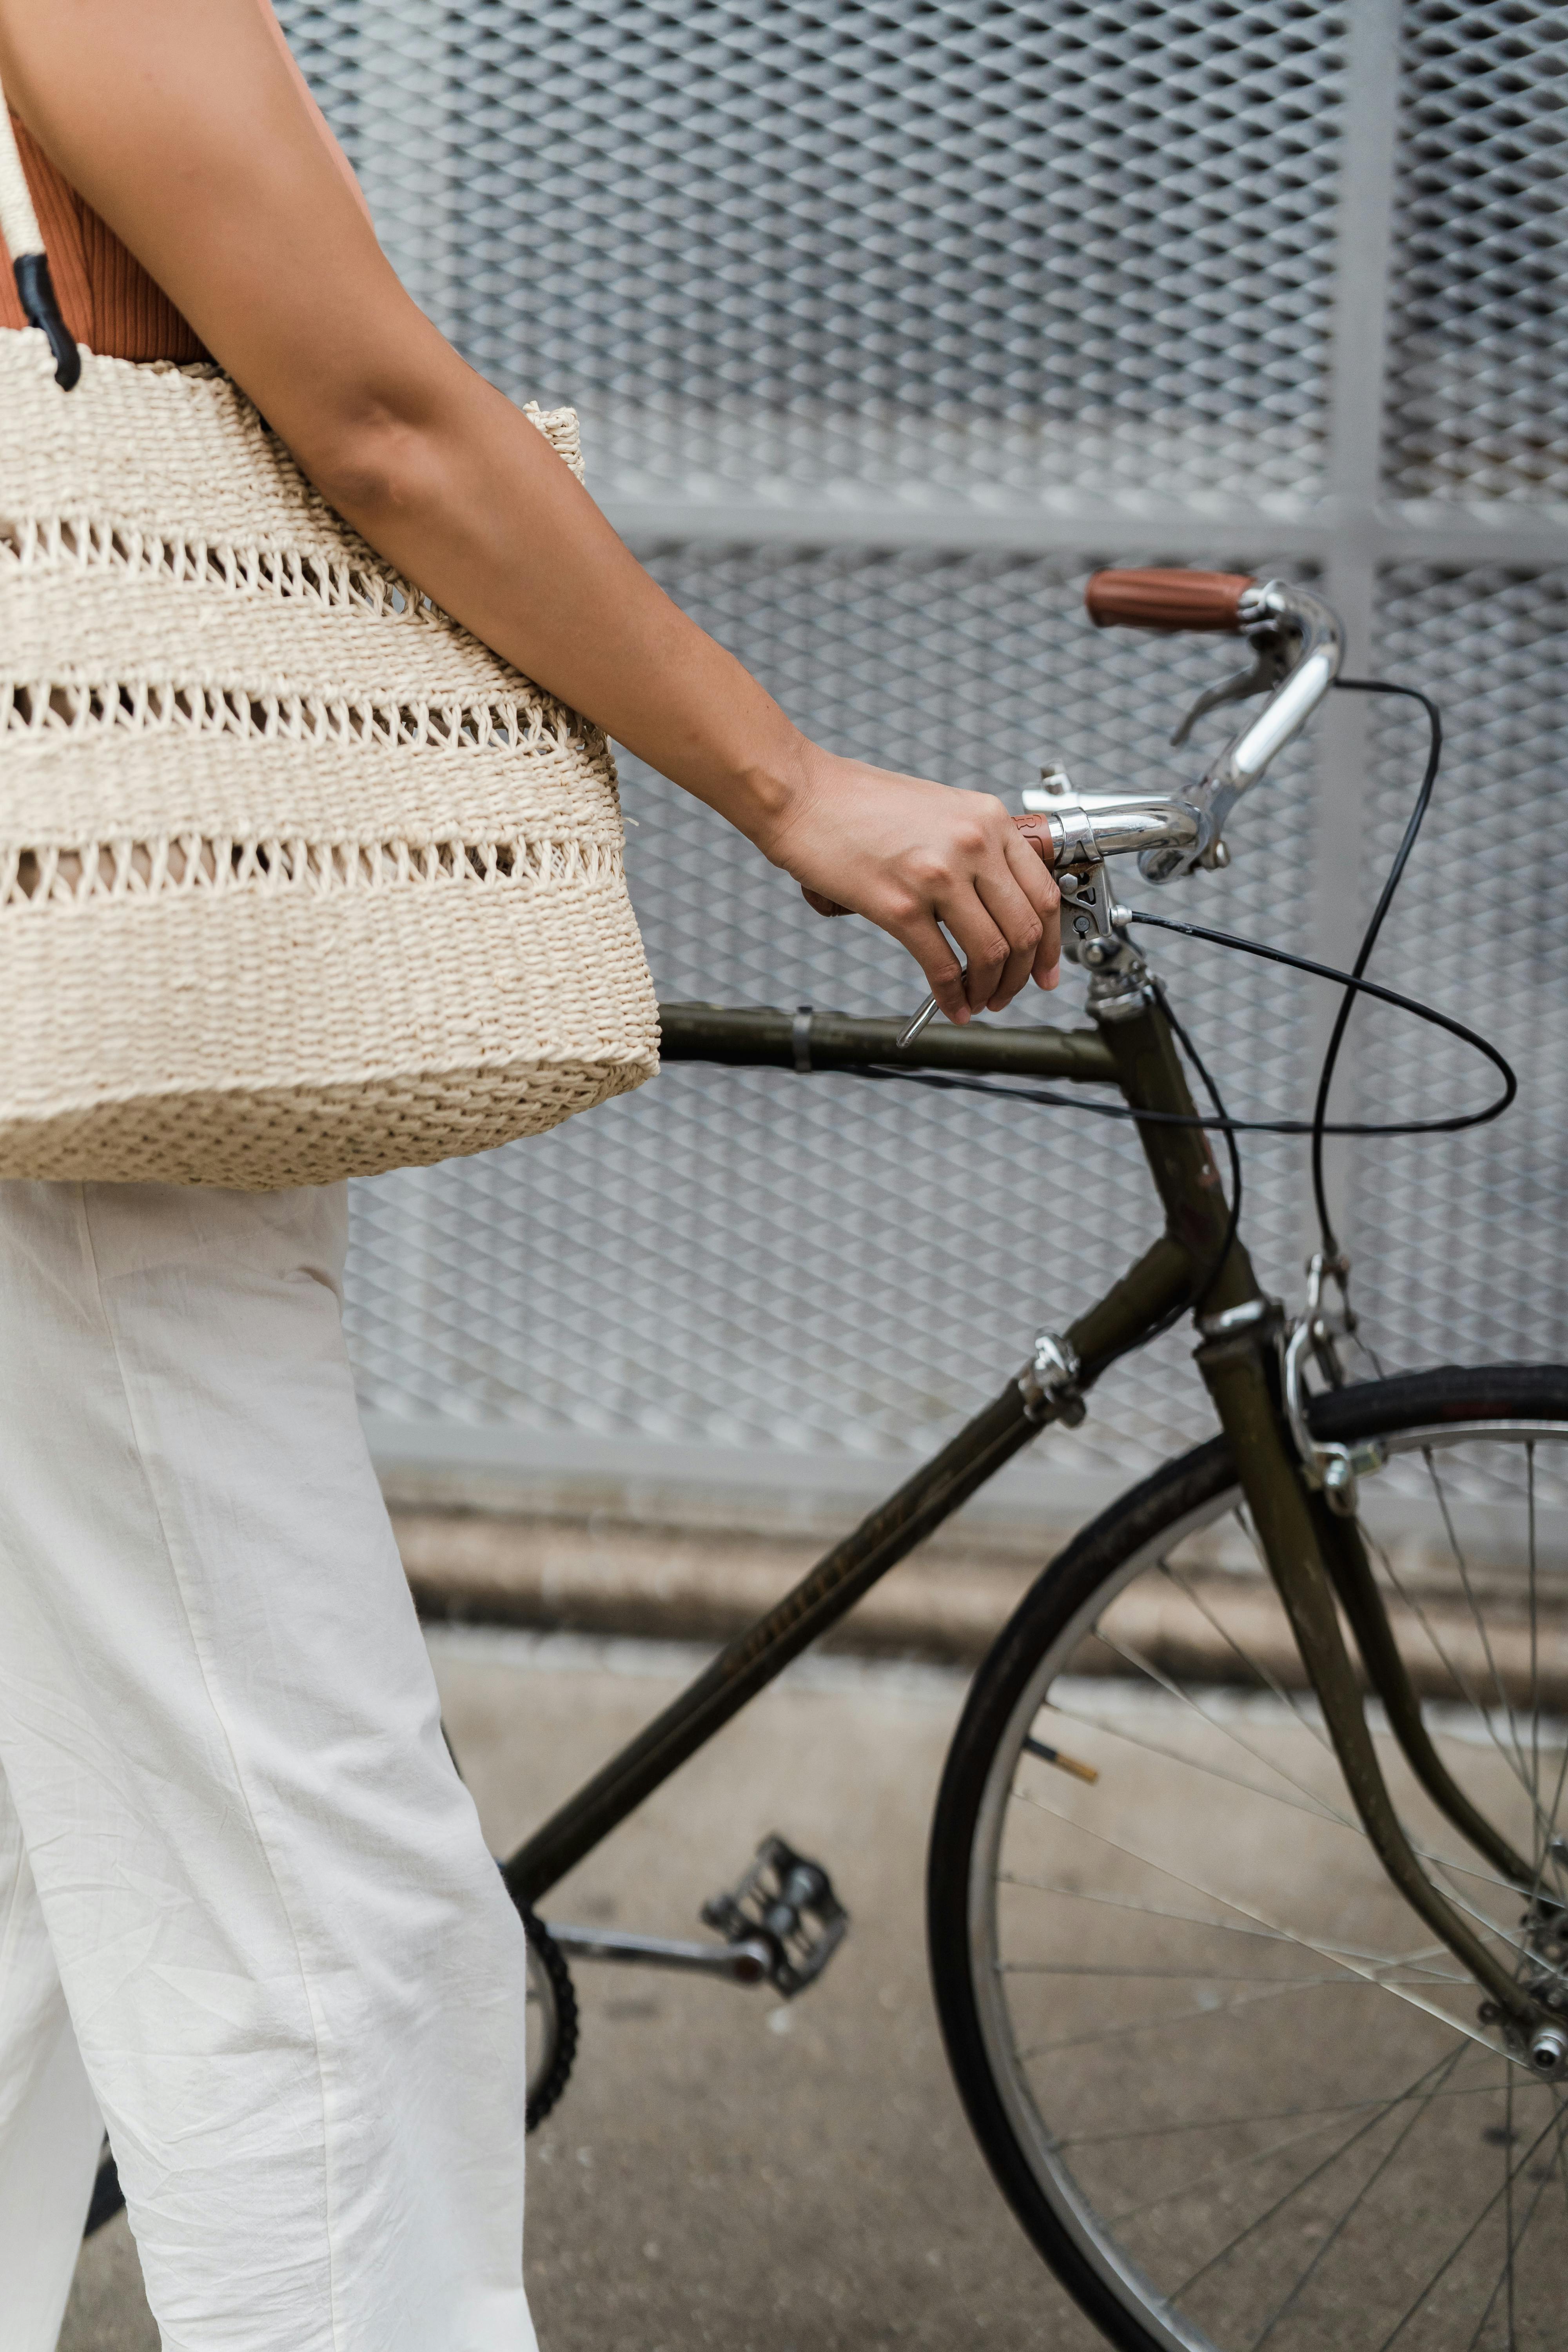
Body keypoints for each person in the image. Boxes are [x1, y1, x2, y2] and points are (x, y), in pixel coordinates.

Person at [0, 4, 1061, 2346]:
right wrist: (793, 788)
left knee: (59, 1880)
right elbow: (381, 423)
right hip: (65, 1069)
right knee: (333, 1908)